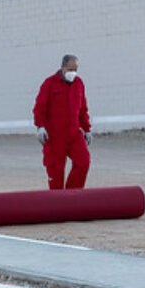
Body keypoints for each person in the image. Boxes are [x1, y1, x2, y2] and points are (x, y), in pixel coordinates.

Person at [32, 54, 92, 189]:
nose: (73, 73)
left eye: (75, 69)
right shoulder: (49, 84)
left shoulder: (79, 84)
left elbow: (82, 109)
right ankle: (57, 203)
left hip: (74, 134)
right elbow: (39, 107)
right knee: (56, 172)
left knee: (83, 162)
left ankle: (72, 196)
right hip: (55, 137)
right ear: (62, 67)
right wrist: (40, 126)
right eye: (70, 70)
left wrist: (87, 129)